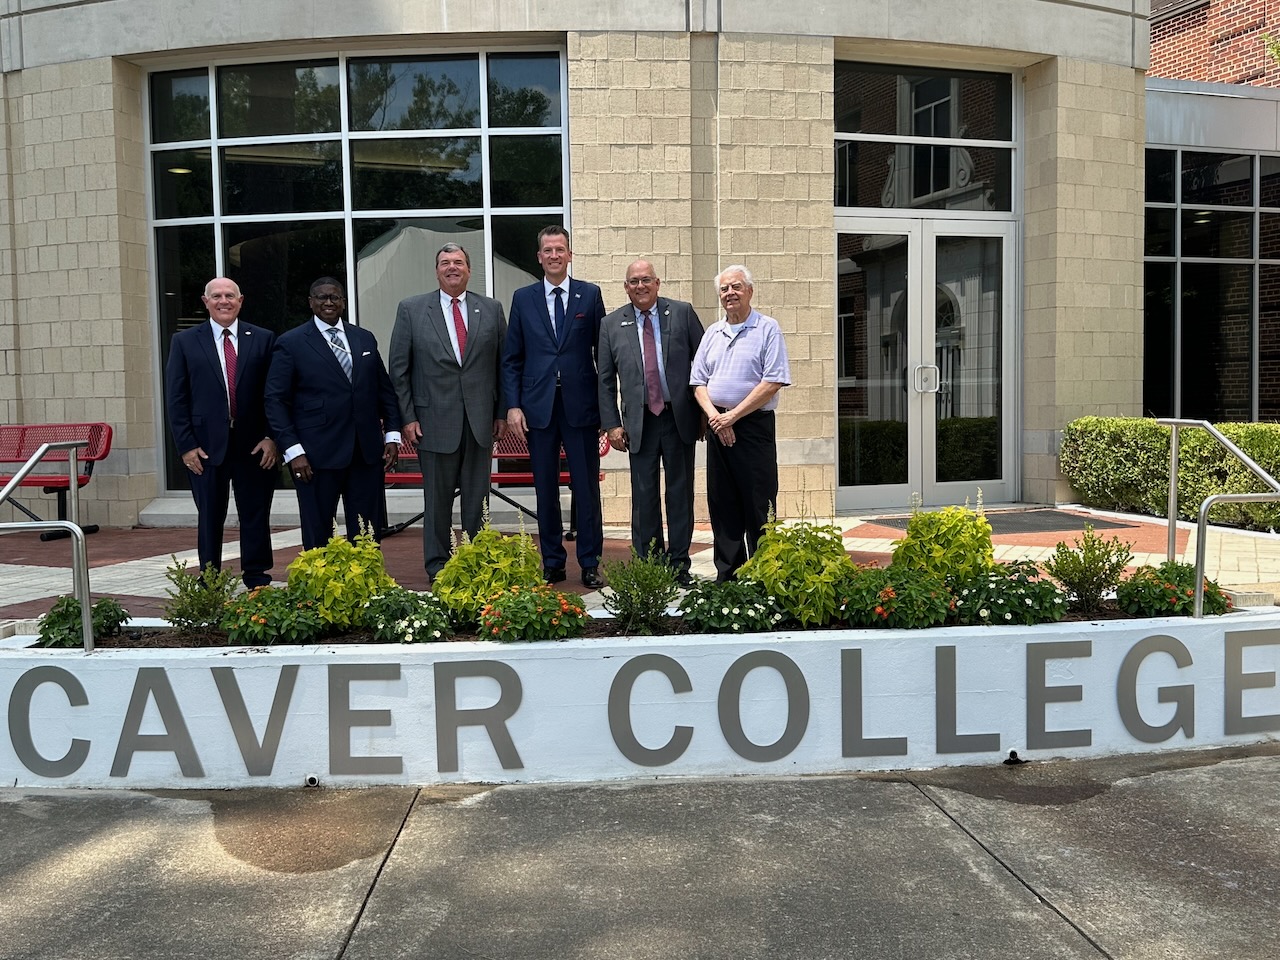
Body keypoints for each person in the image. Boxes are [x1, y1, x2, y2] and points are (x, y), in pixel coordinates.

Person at [388, 243, 508, 583]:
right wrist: (408, 417)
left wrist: (500, 413)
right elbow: (399, 369)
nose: (452, 267)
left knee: (476, 501)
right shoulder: (411, 309)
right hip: (431, 422)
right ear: (436, 270)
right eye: (445, 262)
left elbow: (503, 366)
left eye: (458, 262)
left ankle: (475, 562)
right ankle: (438, 566)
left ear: (469, 270)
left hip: (480, 421)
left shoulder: (491, 308)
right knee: (437, 503)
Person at [501, 226, 606, 587]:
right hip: (537, 409)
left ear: (570, 255)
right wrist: (513, 406)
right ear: (539, 257)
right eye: (547, 250)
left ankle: (590, 561)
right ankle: (553, 562)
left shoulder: (589, 296)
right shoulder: (523, 298)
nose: (554, 255)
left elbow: (602, 356)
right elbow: (512, 358)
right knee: (544, 488)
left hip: (580, 407)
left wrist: (607, 410)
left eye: (560, 249)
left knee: (586, 487)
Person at [265, 277, 401, 551]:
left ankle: (368, 587)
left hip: (365, 453)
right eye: (322, 297)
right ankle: (320, 591)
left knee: (367, 532)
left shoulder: (363, 338)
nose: (329, 302)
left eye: (335, 297)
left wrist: (393, 435)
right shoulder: (291, 343)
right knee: (318, 533)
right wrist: (293, 451)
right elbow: (275, 400)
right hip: (315, 457)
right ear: (311, 302)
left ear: (343, 302)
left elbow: (384, 390)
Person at [164, 277, 279, 587]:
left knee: (255, 513)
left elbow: (275, 394)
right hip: (204, 447)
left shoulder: (264, 339)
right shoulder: (185, 342)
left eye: (230, 295)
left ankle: (256, 577)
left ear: (241, 301)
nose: (223, 301)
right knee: (210, 516)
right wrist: (186, 446)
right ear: (205, 302)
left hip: (255, 445)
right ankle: (210, 579)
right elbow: (176, 398)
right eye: (217, 296)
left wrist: (272, 437)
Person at [597, 259, 705, 586]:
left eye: (646, 280)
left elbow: (704, 364)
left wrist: (704, 414)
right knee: (644, 498)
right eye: (634, 281)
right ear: (626, 287)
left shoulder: (683, 313)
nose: (640, 286)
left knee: (679, 494)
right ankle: (650, 566)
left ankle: (679, 566)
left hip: (678, 418)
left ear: (658, 283)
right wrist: (611, 424)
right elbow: (604, 380)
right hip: (638, 423)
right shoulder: (611, 324)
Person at [690, 265, 791, 582]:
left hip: (753, 427)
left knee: (759, 502)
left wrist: (733, 415)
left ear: (750, 290)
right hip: (718, 425)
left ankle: (764, 573)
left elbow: (773, 380)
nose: (729, 293)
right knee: (723, 503)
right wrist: (717, 418)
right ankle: (728, 575)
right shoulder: (712, 333)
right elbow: (697, 382)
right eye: (724, 289)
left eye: (736, 287)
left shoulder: (767, 328)